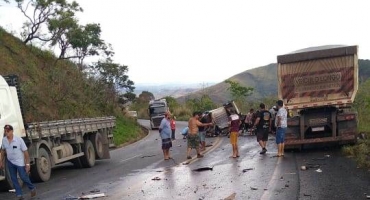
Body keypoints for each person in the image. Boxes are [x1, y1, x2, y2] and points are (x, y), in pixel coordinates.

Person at [0, 125, 36, 200]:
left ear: (12, 131)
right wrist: (1, 161)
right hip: (10, 162)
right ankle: (19, 195)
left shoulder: (19, 140)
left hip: (20, 162)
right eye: (5, 131)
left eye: (8, 131)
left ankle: (32, 188)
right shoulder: (4, 140)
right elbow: (3, 151)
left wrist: (27, 164)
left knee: (23, 176)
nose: (6, 133)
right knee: (13, 179)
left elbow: (25, 152)